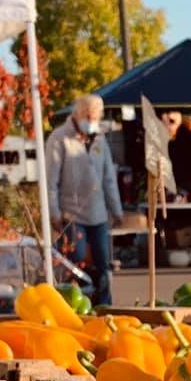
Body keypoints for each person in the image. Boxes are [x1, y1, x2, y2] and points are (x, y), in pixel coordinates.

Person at [45, 93, 122, 305]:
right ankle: (75, 304)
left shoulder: (100, 139)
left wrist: (117, 210)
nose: (91, 120)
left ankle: (105, 306)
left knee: (103, 264)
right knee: (75, 263)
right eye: (88, 115)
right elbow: (51, 180)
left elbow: (108, 178)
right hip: (71, 214)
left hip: (98, 214)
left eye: (95, 116)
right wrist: (54, 213)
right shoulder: (59, 138)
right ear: (78, 114)